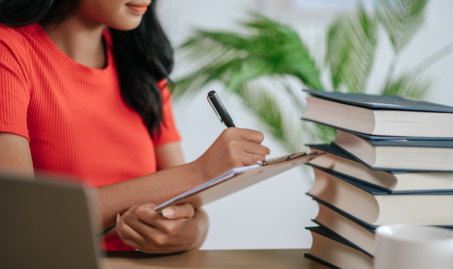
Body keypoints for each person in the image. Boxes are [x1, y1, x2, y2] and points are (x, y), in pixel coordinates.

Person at [0, 0, 270, 253]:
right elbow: (21, 219)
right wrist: (201, 172)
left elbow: (196, 212)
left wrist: (184, 234)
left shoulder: (142, 65)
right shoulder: (9, 49)